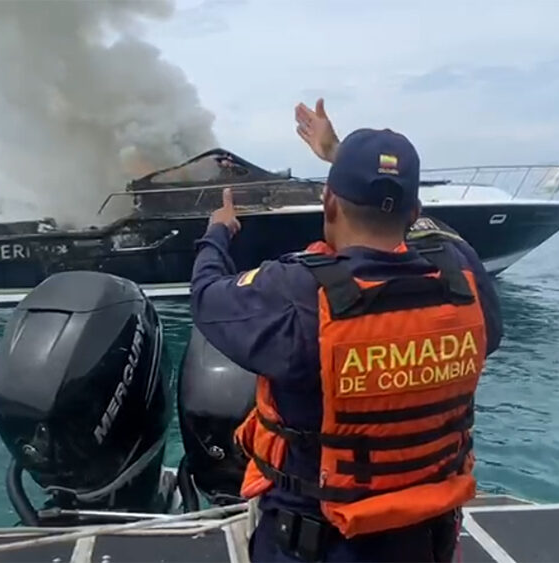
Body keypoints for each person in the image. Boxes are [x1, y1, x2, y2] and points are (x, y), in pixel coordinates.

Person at [189, 98, 503, 562]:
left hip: (317, 546)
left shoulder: (298, 293)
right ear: (414, 211)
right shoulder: (465, 279)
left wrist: (219, 231)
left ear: (329, 200)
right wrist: (341, 155)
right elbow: (440, 238)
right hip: (426, 541)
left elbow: (206, 297)